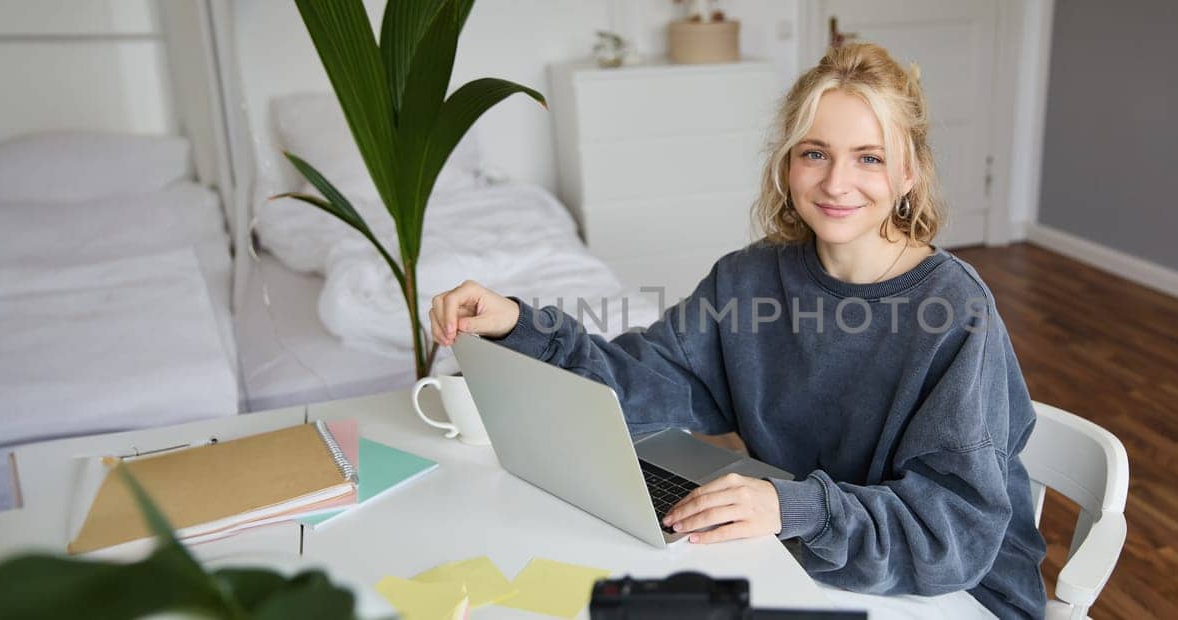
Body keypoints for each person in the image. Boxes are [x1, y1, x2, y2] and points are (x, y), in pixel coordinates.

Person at [430, 42, 1048, 619]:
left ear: (910, 173)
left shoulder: (955, 311)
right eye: (815, 153)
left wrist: (793, 506)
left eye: (869, 158)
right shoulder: (749, 279)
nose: (836, 182)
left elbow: (954, 533)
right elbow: (638, 384)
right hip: (803, 554)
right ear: (786, 162)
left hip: (956, 589)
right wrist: (520, 324)